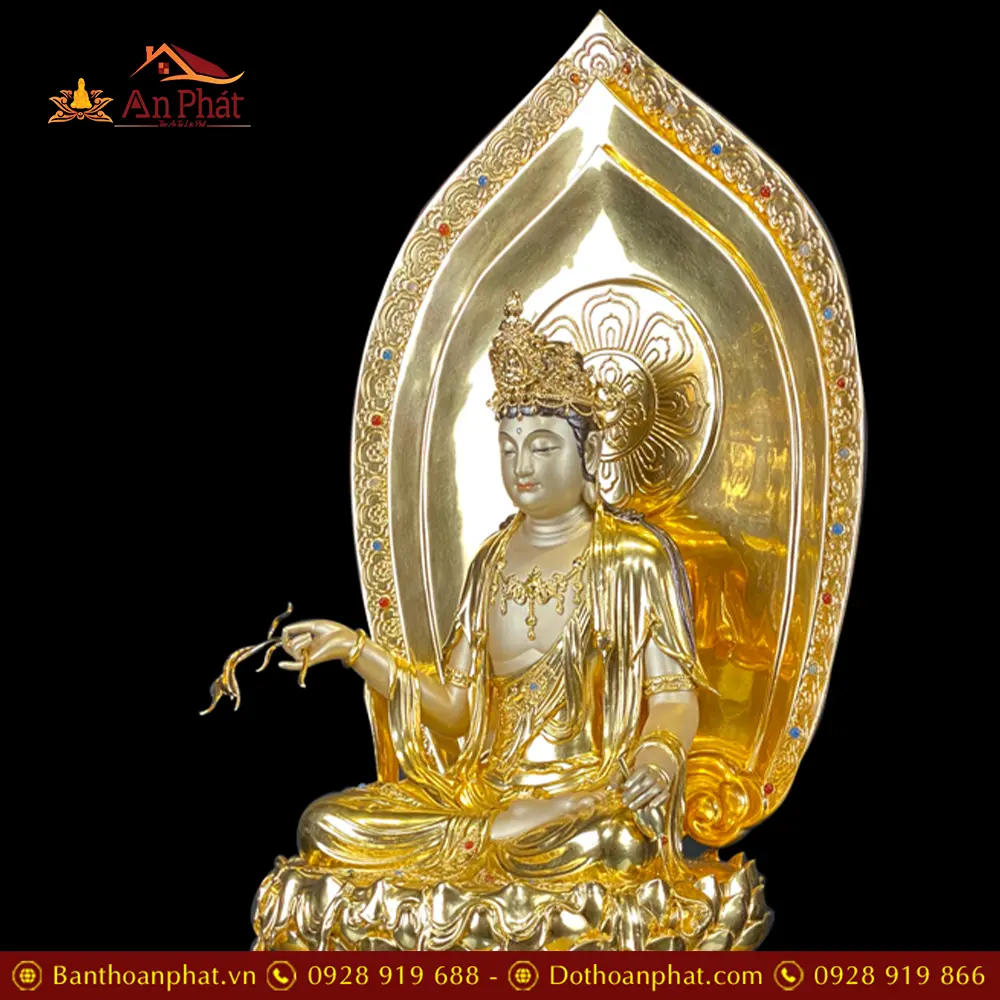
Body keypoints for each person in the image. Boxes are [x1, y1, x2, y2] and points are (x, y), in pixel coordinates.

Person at [251, 292, 769, 950]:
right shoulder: (489, 562)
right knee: (325, 824)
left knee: (613, 842)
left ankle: (510, 839)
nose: (522, 466)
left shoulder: (634, 559)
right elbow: (455, 711)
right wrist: (354, 650)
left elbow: (672, 695)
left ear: (588, 451)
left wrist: (659, 758)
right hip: (484, 793)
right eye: (509, 446)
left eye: (543, 445)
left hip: (584, 796)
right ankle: (493, 838)